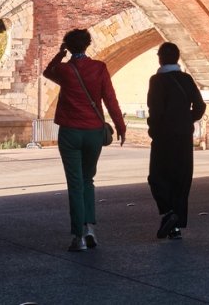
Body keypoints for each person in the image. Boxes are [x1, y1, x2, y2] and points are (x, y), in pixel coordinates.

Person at [43, 28, 127, 252]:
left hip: (70, 132)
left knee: (75, 183)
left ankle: (78, 237)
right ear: (88, 44)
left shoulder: (64, 70)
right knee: (88, 179)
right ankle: (90, 229)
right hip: (93, 132)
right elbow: (110, 99)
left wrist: (60, 54)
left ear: (69, 46)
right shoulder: (99, 68)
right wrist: (120, 126)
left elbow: (47, 72)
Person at [147, 42, 206, 240]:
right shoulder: (186, 79)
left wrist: (154, 130)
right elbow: (200, 106)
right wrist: (186, 120)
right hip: (184, 135)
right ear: (177, 58)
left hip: (163, 136)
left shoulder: (157, 80)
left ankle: (168, 212)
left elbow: (155, 110)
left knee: (157, 176)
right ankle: (176, 226)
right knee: (181, 177)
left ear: (160, 58)